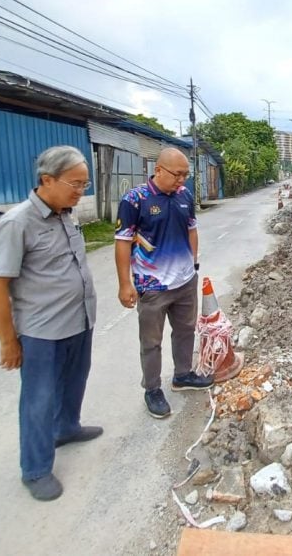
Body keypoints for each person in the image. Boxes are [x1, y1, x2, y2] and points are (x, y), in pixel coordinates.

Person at [0, 145, 102, 502]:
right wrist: (8, 341)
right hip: (42, 332)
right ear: (47, 180)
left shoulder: (65, 214)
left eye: (85, 184)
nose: (81, 192)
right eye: (75, 184)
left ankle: (66, 427)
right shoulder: (16, 223)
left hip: (79, 320)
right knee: (38, 399)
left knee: (75, 380)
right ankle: (35, 469)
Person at [115, 147, 213, 419]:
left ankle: (182, 375)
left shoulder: (184, 196)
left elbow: (192, 230)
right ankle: (152, 389)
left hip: (184, 283)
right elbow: (123, 242)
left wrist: (192, 265)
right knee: (151, 341)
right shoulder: (135, 200)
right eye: (177, 174)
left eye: (185, 175)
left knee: (185, 331)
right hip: (152, 286)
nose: (181, 180)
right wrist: (125, 284)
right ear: (158, 170)